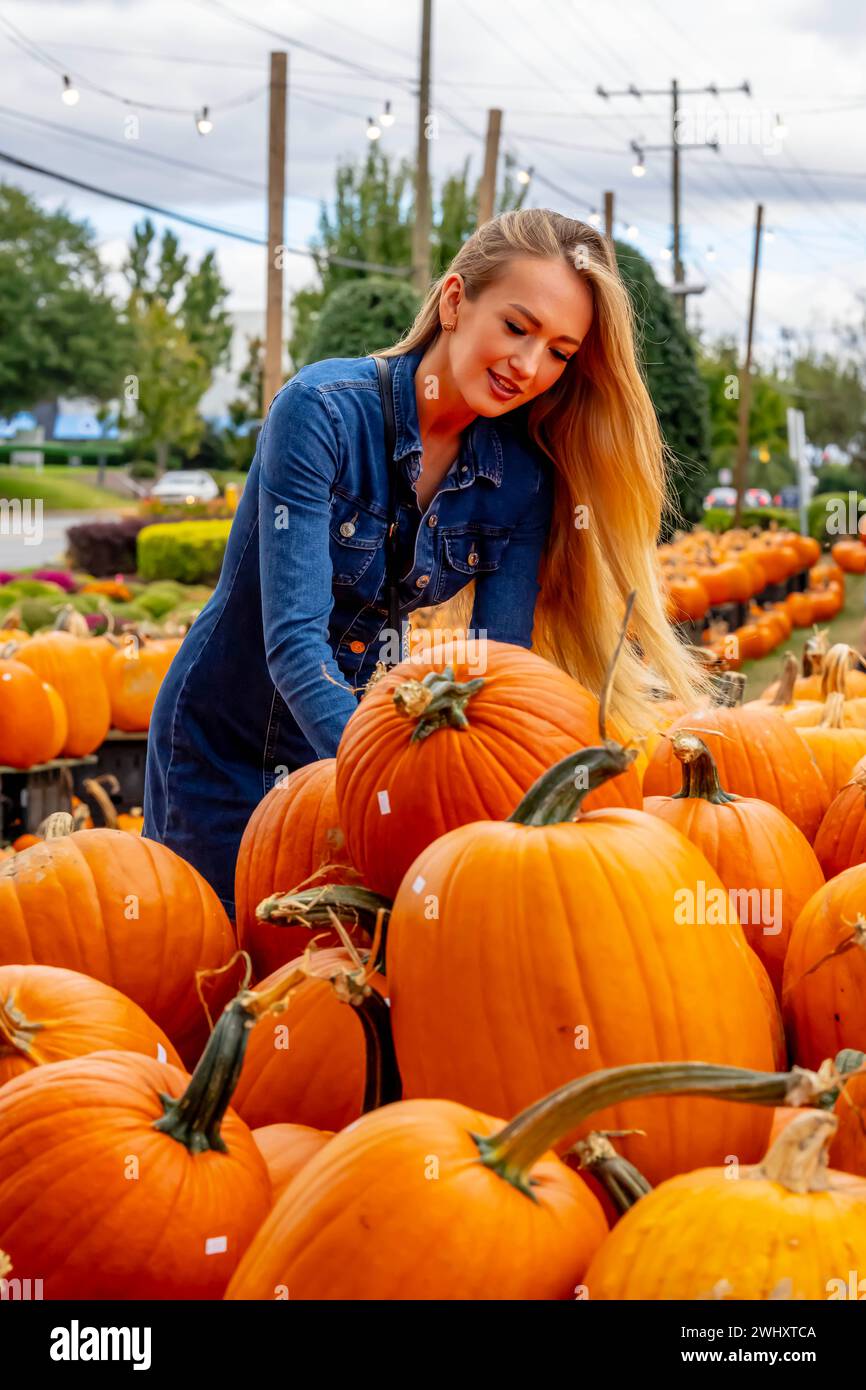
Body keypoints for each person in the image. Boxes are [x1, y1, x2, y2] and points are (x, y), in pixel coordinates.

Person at [143, 208, 707, 918]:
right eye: (516, 326)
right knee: (210, 975)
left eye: (560, 352)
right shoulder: (320, 411)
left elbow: (499, 670)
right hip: (220, 748)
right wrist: (390, 784)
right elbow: (293, 645)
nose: (529, 367)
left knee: (334, 985)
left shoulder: (519, 482)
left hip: (354, 759)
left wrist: (489, 810)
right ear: (453, 301)